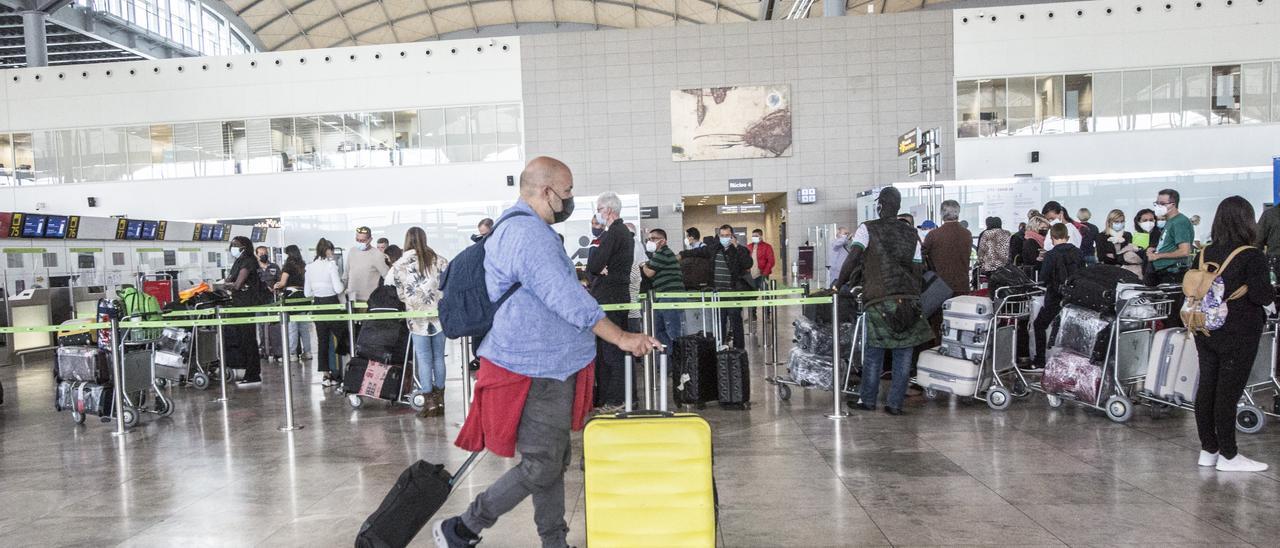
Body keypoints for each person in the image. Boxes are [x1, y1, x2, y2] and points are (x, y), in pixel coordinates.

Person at [432, 156, 659, 548]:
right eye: (567, 192)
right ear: (546, 191)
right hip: (533, 367)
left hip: (547, 364)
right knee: (542, 464)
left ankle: (554, 541)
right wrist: (620, 337)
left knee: (552, 462)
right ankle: (463, 527)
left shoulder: (525, 229)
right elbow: (566, 297)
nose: (570, 200)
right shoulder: (528, 234)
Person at [834, 188, 931, 416]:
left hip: (879, 298)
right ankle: (895, 404)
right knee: (904, 353)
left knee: (874, 352)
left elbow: (854, 257)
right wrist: (912, 292)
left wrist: (839, 283)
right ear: (897, 206)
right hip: (908, 299)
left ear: (880, 205)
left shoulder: (868, 229)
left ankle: (867, 400)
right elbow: (918, 267)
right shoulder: (910, 233)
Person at [1192, 196, 1272, 473]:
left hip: (1204, 329)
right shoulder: (1251, 255)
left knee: (1207, 388)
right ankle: (1229, 455)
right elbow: (1263, 295)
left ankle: (1208, 450)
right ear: (1247, 221)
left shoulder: (1204, 253)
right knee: (1228, 392)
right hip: (1239, 331)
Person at [386, 227, 449, 418]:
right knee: (439, 356)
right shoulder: (439, 259)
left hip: (416, 316)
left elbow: (400, 293)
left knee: (423, 357)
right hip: (438, 314)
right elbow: (447, 283)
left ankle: (428, 401)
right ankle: (440, 400)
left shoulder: (399, 264)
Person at [586, 191, 634, 409]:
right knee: (611, 350)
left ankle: (616, 399)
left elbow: (594, 265)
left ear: (609, 210)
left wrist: (599, 269)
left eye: (599, 209)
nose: (598, 214)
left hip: (610, 297)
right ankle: (611, 397)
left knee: (612, 351)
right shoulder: (621, 233)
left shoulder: (614, 234)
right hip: (614, 295)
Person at [682, 225, 753, 348]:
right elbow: (698, 252)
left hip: (732, 292)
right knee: (719, 322)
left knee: (736, 321)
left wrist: (737, 247)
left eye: (727, 235)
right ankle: (720, 346)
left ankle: (739, 349)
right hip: (717, 293)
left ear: (732, 236)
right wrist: (682, 254)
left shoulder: (739, 250)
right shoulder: (714, 249)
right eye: (722, 235)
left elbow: (747, 263)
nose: (724, 238)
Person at [1032, 223, 1085, 367]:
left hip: (1055, 297)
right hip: (1074, 298)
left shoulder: (1050, 255)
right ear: (1067, 237)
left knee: (1039, 325)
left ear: (1052, 237)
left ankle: (1040, 359)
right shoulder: (1078, 253)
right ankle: (1073, 362)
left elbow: (1044, 278)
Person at [305, 238, 348, 386]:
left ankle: (326, 375)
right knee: (342, 337)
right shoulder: (331, 265)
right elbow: (338, 289)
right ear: (328, 250)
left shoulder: (309, 267)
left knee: (322, 341)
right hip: (332, 304)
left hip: (317, 305)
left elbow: (306, 293)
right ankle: (341, 373)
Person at [224, 236, 263, 385]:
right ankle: (248, 370)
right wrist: (229, 284)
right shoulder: (238, 262)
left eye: (236, 245)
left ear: (244, 247)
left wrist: (225, 285)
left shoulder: (248, 261)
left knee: (248, 338)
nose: (233, 247)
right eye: (232, 244)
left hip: (246, 304)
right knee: (242, 338)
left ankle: (253, 374)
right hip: (238, 303)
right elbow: (230, 281)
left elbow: (237, 284)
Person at [642, 228, 685, 358]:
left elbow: (649, 272)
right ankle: (669, 361)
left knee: (673, 332)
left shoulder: (663, 254)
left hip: (670, 298)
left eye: (653, 239)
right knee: (660, 331)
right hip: (663, 298)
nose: (650, 241)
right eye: (648, 239)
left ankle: (678, 363)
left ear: (663, 241)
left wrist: (643, 265)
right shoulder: (658, 255)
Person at [922, 200, 973, 295]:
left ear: (941, 214)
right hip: (962, 285)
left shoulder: (933, 235)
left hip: (940, 286)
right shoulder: (967, 234)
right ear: (958, 213)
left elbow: (920, 256)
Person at [1149, 189, 1195, 284]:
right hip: (1164, 272)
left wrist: (1158, 256)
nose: (1158, 206)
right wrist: (1154, 250)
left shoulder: (1179, 222)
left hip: (1173, 273)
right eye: (1157, 203)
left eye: (1162, 203)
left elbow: (1184, 251)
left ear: (1173, 204)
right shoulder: (1170, 221)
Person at [274, 245, 312, 361]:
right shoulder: (303, 265)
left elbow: (283, 283)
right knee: (304, 328)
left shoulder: (288, 266)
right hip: (304, 297)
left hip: (292, 297)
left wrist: (276, 285)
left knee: (292, 327)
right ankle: (307, 352)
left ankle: (292, 353)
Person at [345, 226, 390, 302]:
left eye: (362, 241)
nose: (359, 242)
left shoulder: (377, 255)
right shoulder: (352, 251)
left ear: (370, 239)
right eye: (357, 240)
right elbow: (346, 273)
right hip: (351, 299)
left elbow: (388, 277)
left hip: (368, 301)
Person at [1096, 209, 1144, 278]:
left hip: (1127, 270)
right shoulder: (1101, 236)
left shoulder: (1127, 235)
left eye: (1122, 221)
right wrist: (1121, 256)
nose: (1120, 224)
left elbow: (1130, 255)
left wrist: (1114, 256)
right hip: (1109, 270)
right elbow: (1101, 257)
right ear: (1109, 222)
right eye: (1116, 221)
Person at [255, 245, 282, 360]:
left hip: (272, 300)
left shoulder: (274, 267)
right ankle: (263, 349)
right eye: (260, 253)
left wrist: (277, 286)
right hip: (259, 300)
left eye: (264, 253)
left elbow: (281, 281)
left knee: (274, 325)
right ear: (256, 255)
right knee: (261, 325)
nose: (263, 255)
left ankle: (276, 350)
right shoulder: (254, 268)